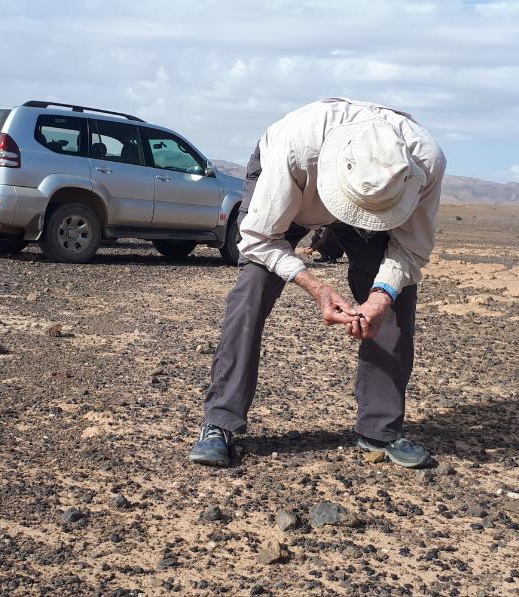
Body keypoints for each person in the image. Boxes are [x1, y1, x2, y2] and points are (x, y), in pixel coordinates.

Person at [189, 98, 446, 469]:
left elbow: (410, 248)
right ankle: (219, 422)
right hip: (297, 189)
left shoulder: (427, 162)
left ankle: (380, 429)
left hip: (369, 199)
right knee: (252, 290)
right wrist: (317, 286)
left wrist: (380, 295)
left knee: (395, 301)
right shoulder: (295, 148)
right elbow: (259, 239)